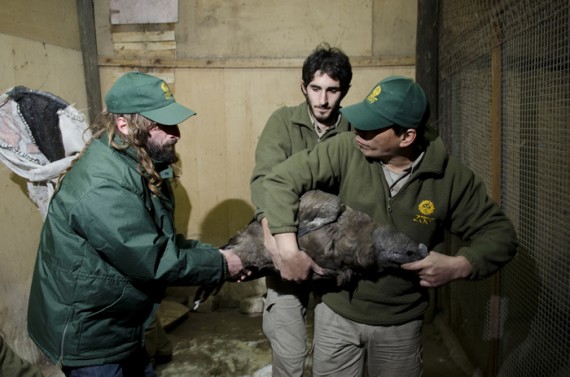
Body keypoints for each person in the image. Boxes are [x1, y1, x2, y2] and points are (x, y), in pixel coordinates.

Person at [260, 75, 518, 376]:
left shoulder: (450, 178)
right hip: (336, 312)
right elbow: (280, 180)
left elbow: (501, 235)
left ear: (406, 137)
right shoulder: (346, 149)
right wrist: (288, 249)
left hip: (400, 322)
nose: (358, 132)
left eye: (370, 128)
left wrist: (461, 264)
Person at [27, 71, 248, 377]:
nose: (176, 134)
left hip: (118, 321)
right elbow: (152, 258)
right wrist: (220, 265)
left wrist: (215, 256)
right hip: (90, 334)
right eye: (164, 124)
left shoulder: (137, 163)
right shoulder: (104, 186)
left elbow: (158, 241)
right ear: (124, 124)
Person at [250, 43, 352, 376]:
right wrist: (271, 233)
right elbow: (265, 178)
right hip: (287, 239)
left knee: (333, 357)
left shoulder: (353, 130)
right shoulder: (282, 122)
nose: (323, 100)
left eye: (332, 91)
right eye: (316, 88)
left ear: (344, 91)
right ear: (303, 87)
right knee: (289, 352)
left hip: (333, 253)